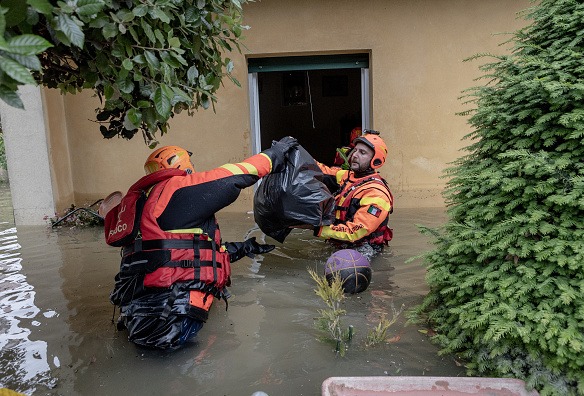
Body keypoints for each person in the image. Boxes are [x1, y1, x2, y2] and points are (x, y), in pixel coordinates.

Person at [104, 137, 297, 349]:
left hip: (136, 318)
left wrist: (242, 248)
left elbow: (179, 253)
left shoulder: (141, 205)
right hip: (171, 319)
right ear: (184, 166)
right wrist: (276, 153)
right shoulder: (178, 189)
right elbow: (238, 173)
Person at [302, 130, 394, 259]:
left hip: (365, 250)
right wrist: (299, 155)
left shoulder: (377, 194)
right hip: (340, 243)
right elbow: (322, 171)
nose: (355, 155)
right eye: (355, 150)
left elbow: (355, 232)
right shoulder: (347, 176)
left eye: (362, 153)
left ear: (376, 161)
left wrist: (317, 228)